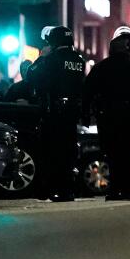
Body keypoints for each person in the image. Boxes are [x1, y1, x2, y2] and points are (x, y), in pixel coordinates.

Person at [83, 27, 130, 200]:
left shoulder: (101, 67)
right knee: (129, 156)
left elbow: (87, 92)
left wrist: (86, 114)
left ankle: (115, 190)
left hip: (108, 118)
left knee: (113, 156)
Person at [31, 25, 85, 202]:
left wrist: (41, 58)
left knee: (51, 151)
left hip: (53, 111)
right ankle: (67, 189)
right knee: (68, 151)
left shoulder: (51, 58)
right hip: (72, 112)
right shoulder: (79, 60)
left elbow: (33, 77)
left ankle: (51, 189)